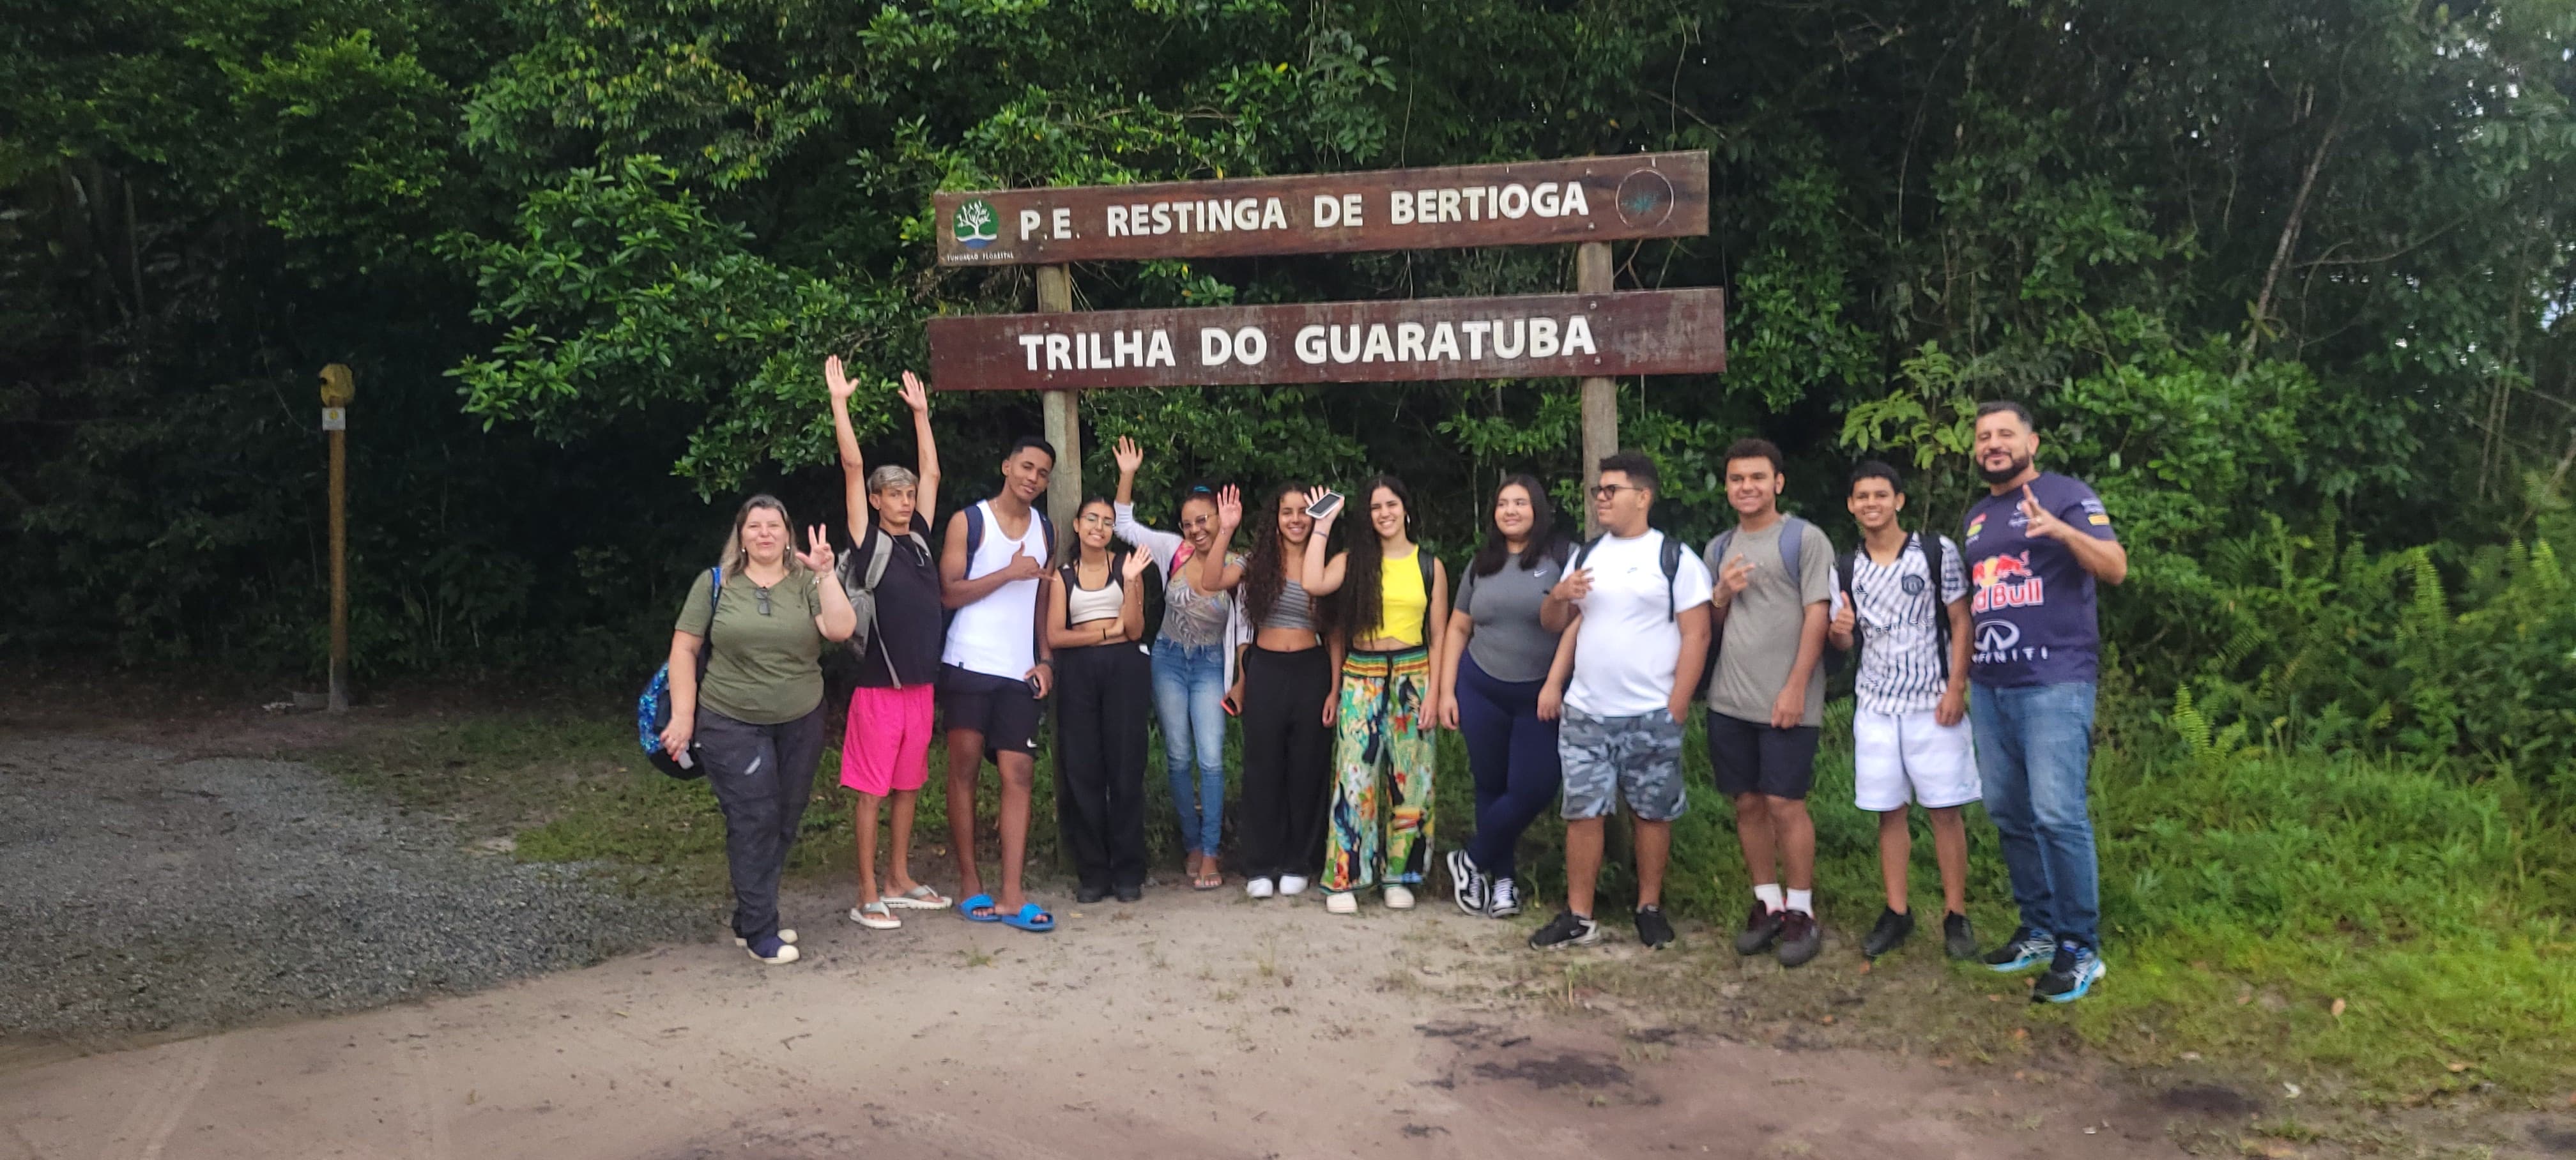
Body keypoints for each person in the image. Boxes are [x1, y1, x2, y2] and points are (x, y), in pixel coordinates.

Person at [1963, 400, 2126, 1003]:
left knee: (2058, 812)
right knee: (2008, 810)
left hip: (2055, 682)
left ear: (2033, 441)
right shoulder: (1977, 517)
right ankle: (2037, 929)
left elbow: (2115, 567)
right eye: (1984, 437)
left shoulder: (2066, 496)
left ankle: (2080, 946)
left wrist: (2059, 530)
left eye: (2005, 434)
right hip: (1991, 684)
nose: (1994, 444)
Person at [656, 497, 859, 964]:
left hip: (801, 719)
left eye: (774, 525)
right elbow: (684, 650)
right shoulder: (715, 584)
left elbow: (841, 628)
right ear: (741, 535)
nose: (764, 533)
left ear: (788, 534)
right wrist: (683, 716)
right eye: (754, 526)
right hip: (730, 719)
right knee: (754, 818)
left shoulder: (809, 582)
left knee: (784, 818)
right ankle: (761, 933)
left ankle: (750, 916)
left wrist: (827, 574)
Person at [1529, 452, 1712, 949]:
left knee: (1652, 813)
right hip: (1587, 712)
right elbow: (1556, 624)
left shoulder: (1675, 558)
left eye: (1612, 490)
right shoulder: (1586, 555)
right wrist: (1559, 594)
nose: (1602, 499)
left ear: (1644, 497)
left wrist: (1677, 706)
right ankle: (1579, 915)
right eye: (1599, 491)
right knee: (1583, 813)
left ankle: (1649, 908)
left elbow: (1697, 636)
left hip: (1650, 712)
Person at [1828, 461, 1977, 960]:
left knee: (1945, 811)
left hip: (1932, 702)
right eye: (1862, 496)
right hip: (1874, 704)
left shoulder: (1936, 554)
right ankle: (1897, 911)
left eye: (1880, 494)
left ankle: (1956, 915)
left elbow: (1961, 622)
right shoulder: (1846, 567)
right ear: (1851, 505)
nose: (1871, 503)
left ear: (1899, 501)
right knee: (1888, 812)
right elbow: (1845, 640)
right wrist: (1840, 629)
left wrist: (1956, 687)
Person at [827, 357, 953, 933]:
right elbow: (852, 466)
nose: (905, 500)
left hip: (921, 687)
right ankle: (868, 889)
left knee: (908, 786)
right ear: (876, 502)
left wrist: (922, 415)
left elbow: (933, 476)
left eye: (907, 494)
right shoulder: (866, 540)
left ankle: (899, 879)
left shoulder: (922, 540)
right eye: (893, 494)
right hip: (879, 688)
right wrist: (840, 403)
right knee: (872, 793)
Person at [1702, 438, 1837, 968]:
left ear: (1778, 482)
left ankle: (1802, 911)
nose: (1747, 487)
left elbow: (1818, 615)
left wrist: (1797, 685)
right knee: (1748, 803)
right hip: (1729, 699)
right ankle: (1768, 903)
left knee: (1786, 804)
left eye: (1757, 477)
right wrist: (1721, 594)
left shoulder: (1804, 540)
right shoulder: (1718, 549)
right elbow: (1707, 628)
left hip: (1787, 699)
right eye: (1737, 479)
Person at [1300, 477, 1449, 914]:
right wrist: (1322, 525)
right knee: (1353, 779)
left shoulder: (1431, 565)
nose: (1384, 513)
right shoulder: (1354, 561)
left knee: (1411, 779)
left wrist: (1435, 693)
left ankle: (1400, 875)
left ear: (1406, 509)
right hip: (1361, 675)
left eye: (1391, 504)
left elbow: (1439, 635)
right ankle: (1345, 877)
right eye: (1375, 507)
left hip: (1413, 674)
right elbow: (1312, 581)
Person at [1436, 475, 1578, 921]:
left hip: (1540, 693)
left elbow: (1577, 622)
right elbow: (1458, 627)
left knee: (1535, 787)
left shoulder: (1562, 557)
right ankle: (1502, 883)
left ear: (1537, 509)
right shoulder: (1482, 564)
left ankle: (1471, 858)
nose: (1511, 510)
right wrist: (1446, 690)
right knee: (1490, 785)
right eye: (1503, 504)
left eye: (1520, 502)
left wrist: (1556, 682)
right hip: (1479, 686)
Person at [1111, 436, 1246, 892]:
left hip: (1210, 664)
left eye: (1202, 520)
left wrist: (1240, 679)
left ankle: (1211, 852)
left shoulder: (1237, 564)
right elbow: (1125, 525)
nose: (1195, 530)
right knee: (1177, 756)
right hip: (1169, 658)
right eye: (1188, 523)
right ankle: (1191, 843)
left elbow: (1243, 630)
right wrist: (1128, 472)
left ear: (1220, 517)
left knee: (1210, 759)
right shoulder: (1173, 550)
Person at [939, 434, 1059, 933]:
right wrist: (1008, 572)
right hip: (968, 662)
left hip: (1018, 669)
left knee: (1020, 776)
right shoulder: (969, 521)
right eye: (1026, 467)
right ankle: (970, 883)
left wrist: (1047, 659)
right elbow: (948, 594)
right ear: (1007, 464)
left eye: (1043, 473)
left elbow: (1040, 601)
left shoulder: (1046, 529)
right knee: (964, 772)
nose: (1033, 478)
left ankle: (1012, 893)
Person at [1215, 483, 1339, 901]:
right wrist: (1226, 530)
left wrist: (1335, 689)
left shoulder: (1325, 563)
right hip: (1266, 668)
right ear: (1275, 518)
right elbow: (1212, 580)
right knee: (1262, 768)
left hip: (1312, 670)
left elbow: (1335, 633)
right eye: (1287, 512)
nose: (1296, 519)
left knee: (1307, 769)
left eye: (1304, 511)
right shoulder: (1256, 563)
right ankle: (1260, 864)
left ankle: (1298, 862)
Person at [1045, 499, 1154, 904]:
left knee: (1126, 767)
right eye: (1092, 518)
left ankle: (1129, 871)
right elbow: (1056, 636)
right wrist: (1107, 633)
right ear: (1076, 524)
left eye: (1108, 521)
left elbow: (1137, 628)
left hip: (1125, 671)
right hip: (1077, 673)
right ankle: (1093, 872)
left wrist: (1130, 584)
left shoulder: (1127, 566)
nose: (1100, 526)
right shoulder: (1063, 577)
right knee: (1082, 769)